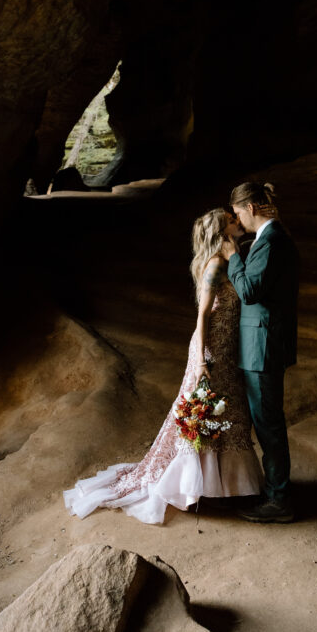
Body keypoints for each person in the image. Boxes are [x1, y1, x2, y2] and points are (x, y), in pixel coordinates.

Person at [64, 207, 263, 524]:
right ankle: (199, 490)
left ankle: (228, 488)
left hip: (228, 352)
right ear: (221, 232)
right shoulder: (215, 265)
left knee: (231, 416)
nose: (238, 222)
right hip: (210, 351)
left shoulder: (232, 259)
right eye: (231, 220)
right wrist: (200, 360)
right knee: (205, 417)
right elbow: (202, 317)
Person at [221, 181, 299, 523]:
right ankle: (274, 492)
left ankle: (279, 501)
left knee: (268, 424)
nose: (237, 220)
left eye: (238, 213)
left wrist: (232, 257)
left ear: (250, 208)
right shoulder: (269, 240)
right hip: (262, 343)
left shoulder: (272, 241)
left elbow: (250, 290)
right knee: (267, 421)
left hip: (263, 347)